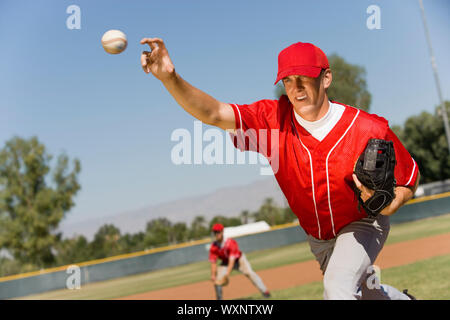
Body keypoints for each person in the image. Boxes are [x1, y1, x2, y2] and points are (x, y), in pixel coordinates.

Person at [140, 38, 420, 300]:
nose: (296, 88)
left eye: (304, 78)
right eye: (288, 80)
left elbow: (409, 177)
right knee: (365, 293)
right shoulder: (271, 121)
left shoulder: (367, 128)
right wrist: (170, 78)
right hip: (318, 236)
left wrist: (391, 204)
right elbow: (213, 113)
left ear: (326, 78)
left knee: (336, 287)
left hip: (361, 223)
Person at [208, 223, 270, 300]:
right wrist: (213, 275)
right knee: (217, 281)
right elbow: (213, 262)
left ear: (222, 232)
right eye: (215, 232)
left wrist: (227, 274)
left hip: (239, 260)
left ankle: (265, 292)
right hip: (225, 262)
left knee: (250, 273)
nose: (217, 234)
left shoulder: (230, 243)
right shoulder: (213, 246)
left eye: (218, 231)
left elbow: (232, 261)